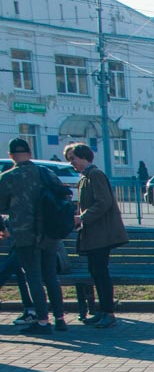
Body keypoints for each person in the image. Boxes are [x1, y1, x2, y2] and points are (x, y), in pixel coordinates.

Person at [0, 138, 68, 335]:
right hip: (50, 233)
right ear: (30, 154)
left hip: (25, 234)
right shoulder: (47, 173)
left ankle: (42, 321)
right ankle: (60, 318)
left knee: (34, 277)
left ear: (11, 156)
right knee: (51, 276)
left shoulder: (8, 177)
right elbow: (63, 197)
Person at [65, 142, 127, 328]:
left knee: (101, 272)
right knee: (95, 272)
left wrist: (82, 218)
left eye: (73, 158)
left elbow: (104, 202)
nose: (71, 163)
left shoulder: (95, 175)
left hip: (102, 234)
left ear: (83, 157)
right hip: (94, 234)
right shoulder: (86, 176)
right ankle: (102, 310)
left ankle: (108, 312)